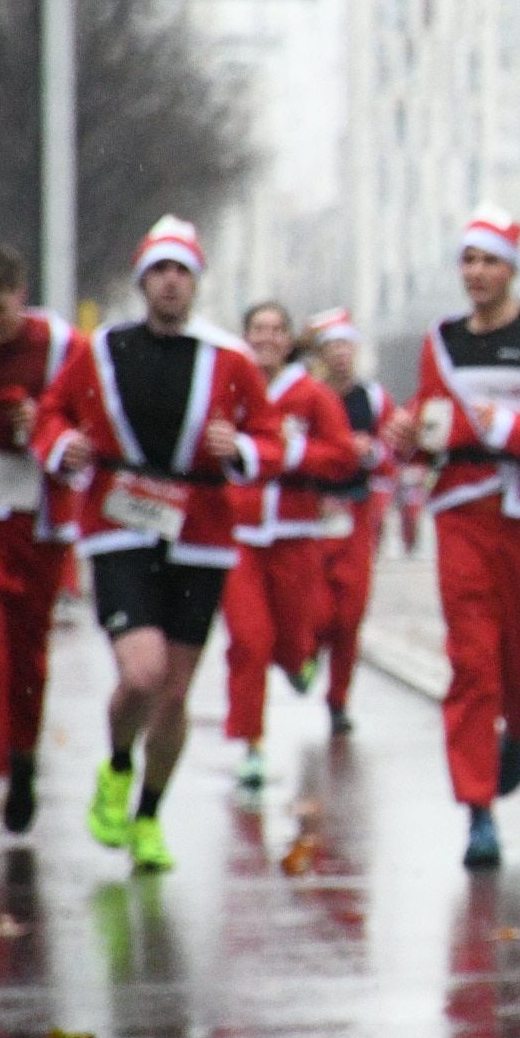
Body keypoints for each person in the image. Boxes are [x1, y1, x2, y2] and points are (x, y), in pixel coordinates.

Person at [33, 216, 286, 872]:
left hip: (200, 533)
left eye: (182, 271)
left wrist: (248, 449)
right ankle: (117, 766)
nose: (171, 282)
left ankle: (147, 814)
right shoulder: (103, 349)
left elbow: (272, 437)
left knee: (174, 692)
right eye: (160, 270)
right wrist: (63, 445)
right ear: (143, 279)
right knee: (140, 673)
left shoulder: (228, 360)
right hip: (118, 524)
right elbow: (51, 414)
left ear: (196, 281)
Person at [381, 205, 520, 869]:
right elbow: (434, 425)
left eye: (490, 260)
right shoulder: (441, 341)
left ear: (513, 268)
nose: (477, 272)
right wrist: (409, 440)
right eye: (469, 260)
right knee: (471, 659)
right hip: (462, 516)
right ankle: (478, 809)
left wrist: (505, 427)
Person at [0, 242, 87, 835]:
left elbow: (91, 419)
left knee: (28, 649)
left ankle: (24, 760)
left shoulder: (61, 346)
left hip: (40, 513)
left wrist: (48, 427)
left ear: (21, 295)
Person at [221, 302, 356, 785]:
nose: (267, 339)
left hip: (296, 535)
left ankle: (299, 663)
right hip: (239, 536)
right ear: (246, 335)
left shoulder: (312, 395)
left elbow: (342, 457)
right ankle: (250, 743)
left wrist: (289, 453)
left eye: (277, 330)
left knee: (298, 636)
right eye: (258, 329)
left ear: (289, 339)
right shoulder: (228, 386)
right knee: (249, 639)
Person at [307, 307, 396, 734]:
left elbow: (393, 451)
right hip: (312, 512)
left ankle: (338, 699)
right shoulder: (307, 395)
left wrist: (372, 453)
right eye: (332, 347)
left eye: (347, 345)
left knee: (351, 614)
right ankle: (307, 653)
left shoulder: (373, 398)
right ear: (321, 353)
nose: (341, 355)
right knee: (318, 609)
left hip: (356, 512)